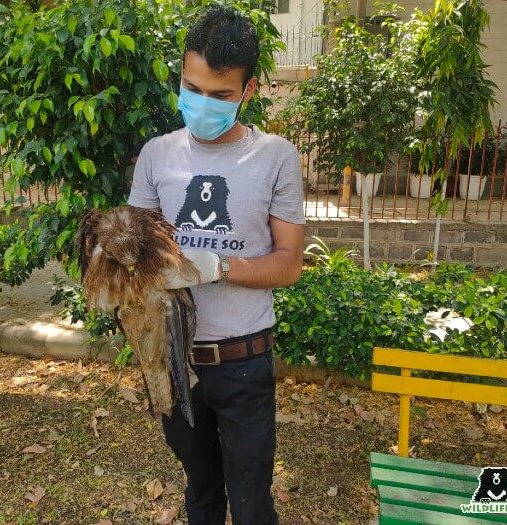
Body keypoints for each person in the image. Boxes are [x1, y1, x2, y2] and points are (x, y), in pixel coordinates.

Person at [127, 4, 305, 525]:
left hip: (244, 362)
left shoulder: (276, 157)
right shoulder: (156, 156)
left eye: (221, 95)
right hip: (176, 362)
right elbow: (137, 255)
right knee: (201, 495)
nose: (203, 104)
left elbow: (289, 264)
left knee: (251, 505)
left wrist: (217, 265)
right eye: (192, 88)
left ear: (248, 91)